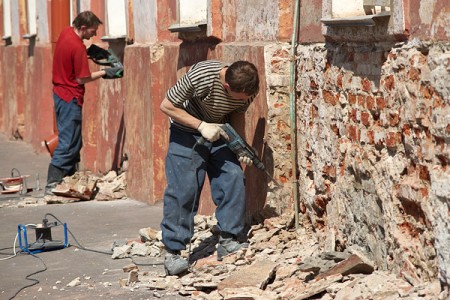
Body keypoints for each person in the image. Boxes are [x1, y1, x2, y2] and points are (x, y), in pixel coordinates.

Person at [159, 60, 260, 275]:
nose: (245, 100)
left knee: (233, 177)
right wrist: (201, 125)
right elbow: (167, 105)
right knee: (183, 190)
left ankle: (228, 240)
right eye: (239, 97)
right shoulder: (202, 75)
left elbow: (237, 113)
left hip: (220, 131)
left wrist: (239, 145)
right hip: (186, 131)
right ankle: (173, 252)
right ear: (226, 87)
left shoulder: (249, 89)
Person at [45, 11, 123, 195]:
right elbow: (82, 78)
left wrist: (89, 52)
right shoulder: (77, 47)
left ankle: (68, 181)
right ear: (83, 28)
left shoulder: (66, 33)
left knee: (74, 141)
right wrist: (106, 72)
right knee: (68, 142)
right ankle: (52, 184)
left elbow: (71, 57)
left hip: (61, 94)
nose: (94, 35)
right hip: (70, 97)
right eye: (92, 31)